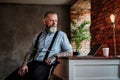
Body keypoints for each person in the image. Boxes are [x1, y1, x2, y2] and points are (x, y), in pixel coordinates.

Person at [5, 11, 73, 80]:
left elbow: (70, 52)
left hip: (46, 65)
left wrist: (55, 56)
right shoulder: (38, 36)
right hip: (34, 63)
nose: (54, 23)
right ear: (44, 21)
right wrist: (24, 64)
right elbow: (30, 52)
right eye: (51, 20)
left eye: (56, 21)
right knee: (14, 76)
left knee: (34, 76)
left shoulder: (61, 35)